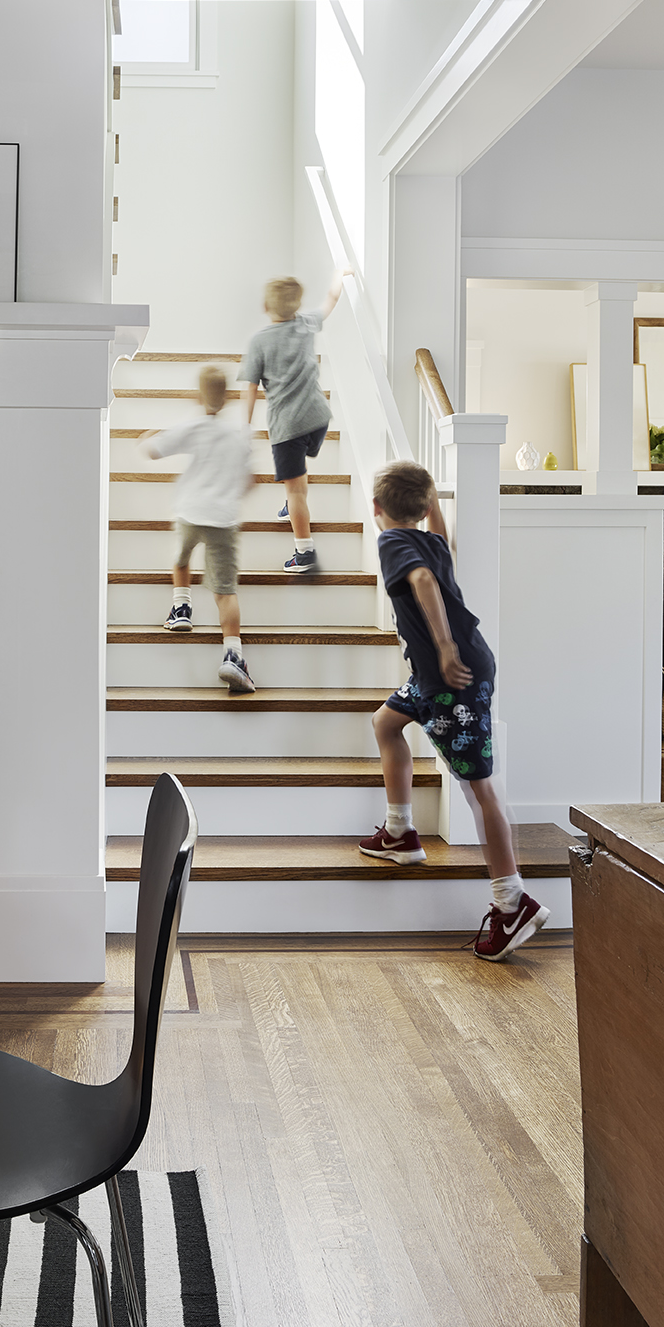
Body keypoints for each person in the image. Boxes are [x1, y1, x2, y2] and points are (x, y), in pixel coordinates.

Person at [356, 459, 550, 961]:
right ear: (425, 508)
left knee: (479, 789)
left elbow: (421, 581)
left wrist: (443, 647)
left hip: (449, 675)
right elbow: (436, 540)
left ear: (376, 507)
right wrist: (432, 502)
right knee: (386, 723)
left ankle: (512, 904)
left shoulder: (393, 543)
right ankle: (400, 832)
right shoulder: (432, 538)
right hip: (433, 679)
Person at [140, 363, 259, 695]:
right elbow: (250, 481)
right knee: (224, 591)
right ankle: (233, 656)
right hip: (223, 519)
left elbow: (153, 450)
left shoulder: (192, 427)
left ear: (197, 396)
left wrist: (146, 437)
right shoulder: (239, 435)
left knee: (181, 560)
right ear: (231, 398)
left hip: (190, 513)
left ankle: (181, 608)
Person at [238, 273, 342, 576]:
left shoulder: (259, 341)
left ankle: (304, 552)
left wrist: (245, 428)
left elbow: (251, 388)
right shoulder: (306, 323)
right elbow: (331, 300)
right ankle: (291, 507)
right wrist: (338, 276)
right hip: (318, 418)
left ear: (264, 306)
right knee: (298, 475)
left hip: (288, 425)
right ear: (296, 306)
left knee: (295, 488)